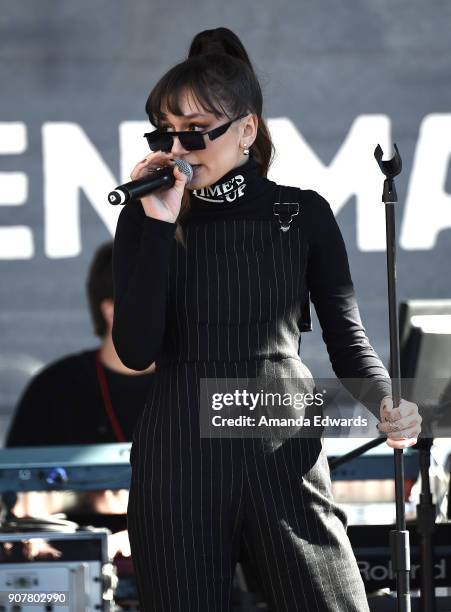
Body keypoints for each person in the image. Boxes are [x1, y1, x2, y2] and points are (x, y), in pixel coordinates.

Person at [112, 27, 422, 612]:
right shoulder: (148, 216)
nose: (180, 149)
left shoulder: (299, 212)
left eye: (198, 133)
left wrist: (387, 398)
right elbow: (135, 349)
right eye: (166, 134)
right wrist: (155, 222)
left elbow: (347, 339)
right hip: (179, 458)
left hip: (281, 442)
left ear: (246, 130)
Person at [5, 241, 155, 560]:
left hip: (184, 560)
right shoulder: (55, 387)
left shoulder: (201, 383)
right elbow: (16, 497)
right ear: (110, 310)